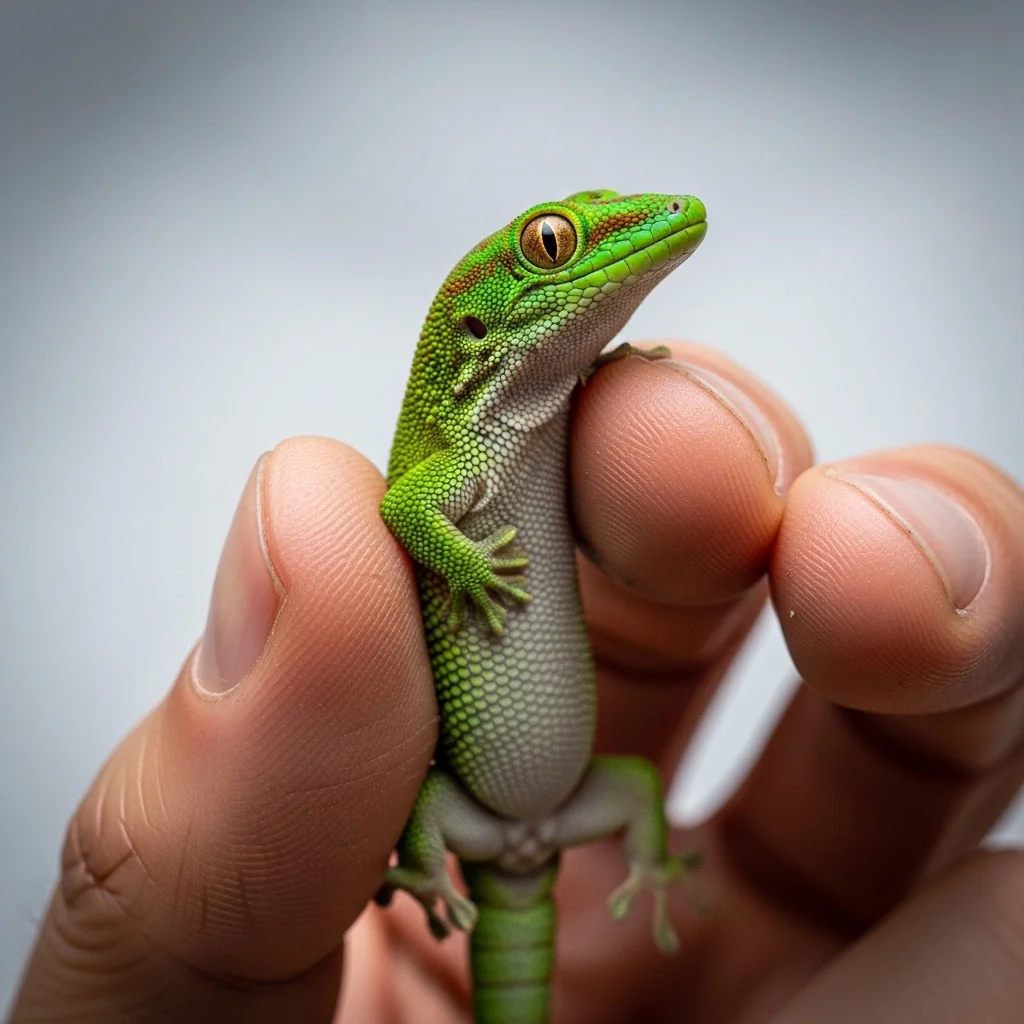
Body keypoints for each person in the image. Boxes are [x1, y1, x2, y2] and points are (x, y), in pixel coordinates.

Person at [9, 343, 1024, 1023]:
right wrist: (460, 567)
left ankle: (648, 863)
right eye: (553, 246)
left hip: (550, 810)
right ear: (482, 335)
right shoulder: (456, 458)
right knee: (430, 801)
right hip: (475, 835)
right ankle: (426, 873)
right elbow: (407, 513)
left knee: (632, 782)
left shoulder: (533, 427)